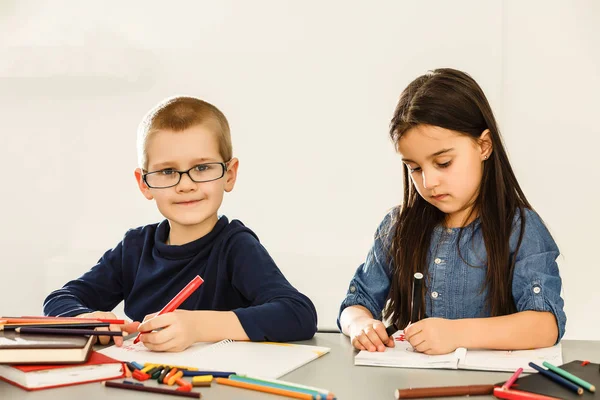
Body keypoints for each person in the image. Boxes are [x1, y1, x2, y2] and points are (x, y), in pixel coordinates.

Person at [44, 96, 318, 351]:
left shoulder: (236, 247)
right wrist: (86, 319)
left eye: (202, 168)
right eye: (167, 171)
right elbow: (59, 299)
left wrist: (197, 327)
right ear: (144, 183)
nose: (185, 185)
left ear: (229, 174)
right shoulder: (134, 248)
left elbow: (298, 313)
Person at [338, 69, 566, 355]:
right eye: (415, 168)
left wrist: (456, 333)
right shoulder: (397, 226)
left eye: (443, 163)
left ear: (484, 146)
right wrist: (360, 324)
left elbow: (546, 325)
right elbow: (355, 303)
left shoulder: (519, 228)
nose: (428, 182)